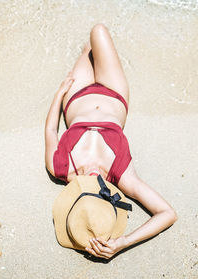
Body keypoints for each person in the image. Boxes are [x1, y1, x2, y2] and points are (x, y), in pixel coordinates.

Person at [45, 24, 177, 259]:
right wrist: (123, 242)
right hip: (113, 92)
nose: (96, 178)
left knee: (89, 46)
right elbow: (167, 213)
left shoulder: (60, 167)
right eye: (101, 189)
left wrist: (58, 94)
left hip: (76, 95)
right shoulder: (122, 175)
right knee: (99, 32)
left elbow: (51, 129)